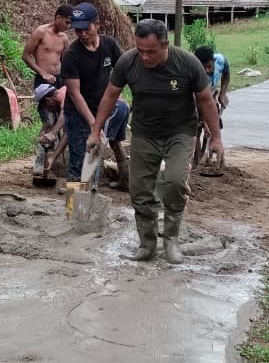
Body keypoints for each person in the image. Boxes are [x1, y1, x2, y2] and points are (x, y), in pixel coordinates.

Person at [89, 19, 222, 264]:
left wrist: (216, 138)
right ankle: (147, 244)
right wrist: (96, 132)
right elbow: (110, 95)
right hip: (144, 133)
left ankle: (170, 239)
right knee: (139, 189)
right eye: (140, 50)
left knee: (174, 183)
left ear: (165, 45)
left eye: (150, 51)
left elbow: (205, 100)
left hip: (180, 132)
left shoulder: (187, 63)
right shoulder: (128, 62)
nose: (145, 57)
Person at [60, 2, 130, 192]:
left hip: (101, 109)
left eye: (86, 29)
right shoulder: (72, 55)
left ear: (97, 24)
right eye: (78, 30)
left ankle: (91, 194)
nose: (82, 34)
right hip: (78, 112)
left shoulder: (109, 45)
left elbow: (125, 71)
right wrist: (93, 124)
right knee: (79, 160)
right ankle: (73, 204)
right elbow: (75, 94)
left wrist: (122, 95)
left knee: (95, 155)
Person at [192, 45, 229, 174]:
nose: (207, 70)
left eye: (209, 66)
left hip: (211, 97)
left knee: (214, 129)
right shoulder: (195, 72)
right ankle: (197, 162)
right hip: (196, 101)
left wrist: (223, 93)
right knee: (197, 129)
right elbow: (200, 102)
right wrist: (206, 124)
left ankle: (207, 156)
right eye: (204, 68)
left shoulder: (221, 60)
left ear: (213, 60)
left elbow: (227, 73)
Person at [23, 4, 73, 87]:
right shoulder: (41, 32)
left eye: (70, 23)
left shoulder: (64, 38)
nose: (68, 26)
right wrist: (43, 73)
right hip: (44, 79)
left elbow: (66, 62)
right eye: (67, 22)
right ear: (58, 17)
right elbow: (25, 55)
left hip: (60, 79)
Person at [32, 83, 67, 183]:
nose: (48, 109)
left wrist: (53, 133)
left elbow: (64, 114)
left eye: (46, 106)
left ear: (48, 100)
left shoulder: (64, 96)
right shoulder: (63, 92)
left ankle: (81, 187)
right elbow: (68, 133)